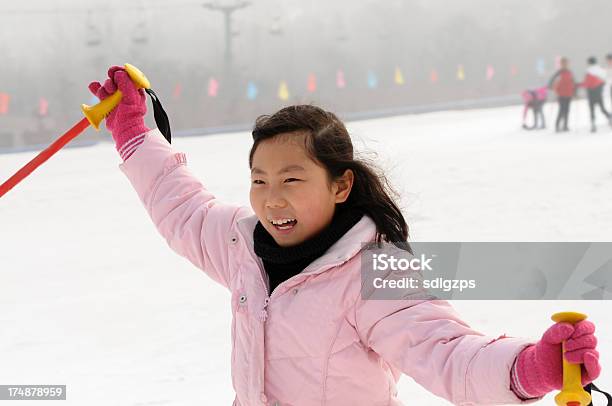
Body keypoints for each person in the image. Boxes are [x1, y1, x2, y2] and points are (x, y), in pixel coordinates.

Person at [88, 66, 601, 405]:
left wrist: (531, 366)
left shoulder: (376, 271)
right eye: (259, 181)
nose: (272, 199)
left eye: (292, 180)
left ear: (341, 184)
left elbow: (446, 351)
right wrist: (134, 130)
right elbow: (178, 201)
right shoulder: (239, 244)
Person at [578, 56, 611, 133]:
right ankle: (609, 117)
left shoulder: (588, 71)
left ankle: (593, 125)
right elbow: (605, 81)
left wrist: (578, 85)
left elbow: (586, 83)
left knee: (592, 110)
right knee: (602, 108)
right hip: (599, 93)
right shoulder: (601, 70)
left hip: (591, 93)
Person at [548, 57, 576, 132]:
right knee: (561, 110)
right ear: (561, 64)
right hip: (561, 94)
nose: (565, 64)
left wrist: (575, 93)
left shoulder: (570, 72)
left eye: (566, 63)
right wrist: (553, 88)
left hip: (569, 94)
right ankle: (557, 126)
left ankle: (565, 126)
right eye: (563, 63)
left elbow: (573, 83)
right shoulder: (559, 73)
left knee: (567, 110)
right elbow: (551, 82)